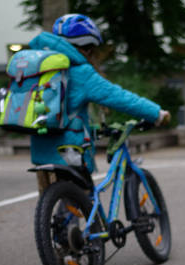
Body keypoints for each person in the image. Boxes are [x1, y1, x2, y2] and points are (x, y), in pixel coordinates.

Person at [24, 14, 169, 191]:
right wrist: (157, 113)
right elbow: (119, 97)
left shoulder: (38, 67)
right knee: (86, 202)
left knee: (55, 209)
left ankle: (53, 218)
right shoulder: (80, 72)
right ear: (87, 48)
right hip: (70, 151)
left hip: (41, 147)